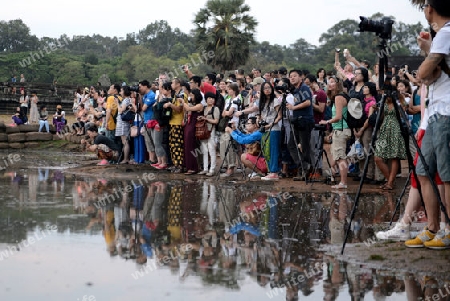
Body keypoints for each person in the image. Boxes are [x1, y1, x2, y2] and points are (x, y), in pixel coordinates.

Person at [406, 0, 450, 249]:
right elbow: (432, 75)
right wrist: (428, 49)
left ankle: (447, 228)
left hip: (445, 112)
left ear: (431, 9)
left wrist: (427, 51)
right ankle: (432, 227)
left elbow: (422, 74)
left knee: (446, 175)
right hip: (434, 114)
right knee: (424, 172)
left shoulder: (446, 33)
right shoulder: (442, 36)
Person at [319, 76, 350, 189]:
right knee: (337, 157)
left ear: (338, 84)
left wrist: (326, 121)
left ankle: (343, 182)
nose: (330, 84)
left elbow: (338, 117)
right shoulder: (340, 96)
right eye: (329, 82)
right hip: (340, 129)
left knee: (340, 157)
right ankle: (337, 179)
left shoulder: (338, 97)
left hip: (341, 130)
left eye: (332, 82)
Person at [287, 69, 315, 181]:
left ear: (300, 77)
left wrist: (294, 107)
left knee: (304, 146)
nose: (292, 78)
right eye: (290, 76)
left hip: (305, 120)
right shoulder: (294, 90)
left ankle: (306, 168)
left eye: (294, 76)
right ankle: (303, 166)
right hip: (297, 120)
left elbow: (308, 102)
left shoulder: (304, 88)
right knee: (291, 145)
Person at [257, 82, 282, 181]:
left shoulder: (275, 100)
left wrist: (271, 125)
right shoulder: (262, 102)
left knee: (273, 150)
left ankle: (274, 172)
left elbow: (279, 116)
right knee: (266, 150)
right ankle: (270, 170)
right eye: (265, 88)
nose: (267, 90)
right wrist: (259, 121)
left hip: (274, 128)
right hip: (265, 128)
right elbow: (260, 115)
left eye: (269, 88)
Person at [197, 92, 220, 176]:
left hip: (211, 131)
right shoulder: (204, 108)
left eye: (212, 98)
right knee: (204, 150)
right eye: (209, 98)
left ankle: (212, 169)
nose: (211, 100)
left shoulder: (215, 109)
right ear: (206, 99)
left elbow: (216, 121)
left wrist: (206, 119)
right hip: (204, 131)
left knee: (211, 150)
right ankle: (205, 169)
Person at [140, 80, 157, 164]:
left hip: (151, 120)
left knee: (150, 140)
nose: (139, 88)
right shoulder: (145, 95)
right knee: (147, 140)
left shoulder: (151, 95)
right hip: (146, 120)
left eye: (140, 87)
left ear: (145, 86)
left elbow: (143, 108)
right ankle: (151, 158)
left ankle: (152, 159)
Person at [115, 86, 134, 164]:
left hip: (123, 123)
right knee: (124, 141)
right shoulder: (126, 100)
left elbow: (121, 110)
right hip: (121, 123)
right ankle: (126, 158)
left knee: (125, 141)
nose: (120, 92)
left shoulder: (126, 100)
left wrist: (117, 103)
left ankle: (126, 158)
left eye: (121, 91)